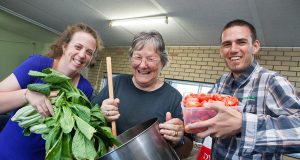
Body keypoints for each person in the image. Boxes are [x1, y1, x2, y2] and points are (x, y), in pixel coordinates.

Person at [185, 19, 300, 159]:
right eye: (227, 44)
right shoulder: (221, 82)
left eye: (241, 42)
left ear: (255, 47)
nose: (233, 49)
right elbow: (203, 116)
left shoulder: (272, 82)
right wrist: (182, 127)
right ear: (221, 51)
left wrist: (244, 124)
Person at [0, 23, 102, 159]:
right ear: (65, 46)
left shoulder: (85, 89)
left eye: (89, 52)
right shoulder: (37, 65)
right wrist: (26, 94)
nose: (82, 55)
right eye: (78, 47)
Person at [92, 31, 193, 158]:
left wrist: (178, 140)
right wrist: (100, 114)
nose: (143, 65)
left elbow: (186, 151)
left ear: (163, 63)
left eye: (151, 59)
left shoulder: (174, 97)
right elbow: (88, 120)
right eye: (138, 57)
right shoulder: (116, 83)